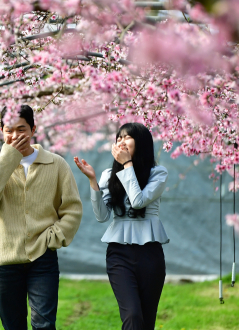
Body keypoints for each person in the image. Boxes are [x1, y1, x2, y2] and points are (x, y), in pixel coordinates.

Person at [0, 105, 83, 330]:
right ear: (2, 131)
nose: (15, 135)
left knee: (44, 323)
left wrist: (54, 238)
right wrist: (8, 159)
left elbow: (72, 208)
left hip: (42, 258)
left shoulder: (56, 164)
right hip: (5, 260)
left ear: (33, 129)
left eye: (21, 129)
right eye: (9, 130)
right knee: (13, 325)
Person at [73, 122, 169, 330]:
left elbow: (138, 201)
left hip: (150, 252)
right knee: (132, 315)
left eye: (127, 137)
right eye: (118, 138)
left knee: (146, 320)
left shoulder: (158, 173)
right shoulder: (109, 174)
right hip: (119, 253)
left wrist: (127, 166)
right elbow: (101, 216)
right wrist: (93, 182)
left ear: (141, 143)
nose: (121, 142)